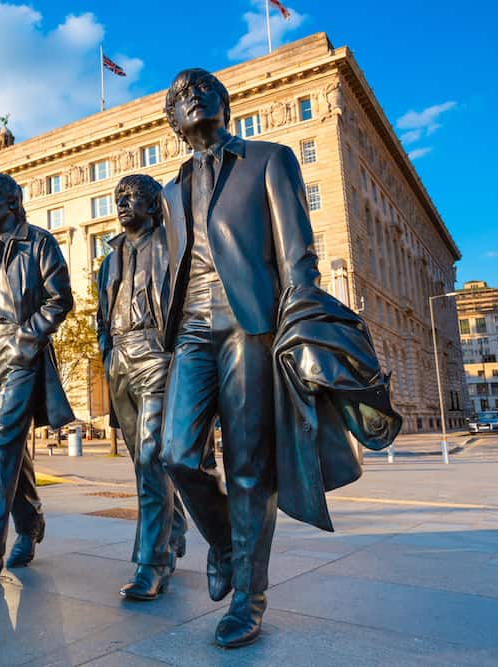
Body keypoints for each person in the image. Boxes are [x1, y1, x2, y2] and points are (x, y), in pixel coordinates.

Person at [159, 68, 399, 648]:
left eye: (202, 87)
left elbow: (297, 255)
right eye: (178, 96)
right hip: (190, 328)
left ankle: (249, 594)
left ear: (225, 101)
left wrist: (301, 324)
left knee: (248, 466)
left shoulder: (268, 159)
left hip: (252, 323)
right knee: (176, 454)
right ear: (171, 121)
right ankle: (223, 543)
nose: (191, 96)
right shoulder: (169, 190)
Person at [0, 172, 74, 581]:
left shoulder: (39, 241)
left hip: (20, 350)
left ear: (13, 200)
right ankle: (31, 519)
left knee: (2, 445)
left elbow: (61, 299)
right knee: (11, 449)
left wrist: (27, 338)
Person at [95, 174, 188, 601]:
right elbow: (101, 313)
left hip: (156, 352)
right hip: (120, 358)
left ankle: (151, 562)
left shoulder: (171, 243)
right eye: (119, 197)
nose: (123, 202)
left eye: (132, 196)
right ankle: (176, 524)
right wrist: (107, 351)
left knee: (151, 458)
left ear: (153, 204)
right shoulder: (108, 258)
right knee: (143, 463)